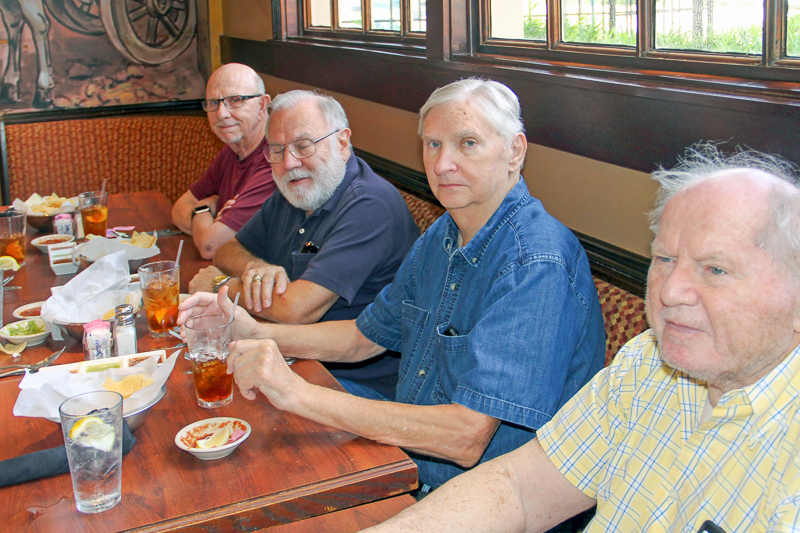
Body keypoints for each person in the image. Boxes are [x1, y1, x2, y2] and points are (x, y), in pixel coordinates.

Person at [179, 79, 606, 492]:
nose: (442, 164)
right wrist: (259, 333)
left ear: (515, 151)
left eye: (467, 143)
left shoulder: (536, 263)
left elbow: (465, 437)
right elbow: (364, 337)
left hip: (483, 498)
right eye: (433, 144)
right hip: (405, 459)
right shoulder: (441, 236)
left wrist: (297, 392)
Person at [363, 143, 800, 532]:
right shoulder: (646, 363)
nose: (669, 291)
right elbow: (519, 489)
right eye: (665, 259)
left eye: (715, 269)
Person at [188, 89, 420, 399]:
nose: (289, 162)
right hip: (296, 361)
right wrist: (256, 267)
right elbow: (227, 249)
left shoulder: (370, 205)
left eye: (304, 145)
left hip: (357, 386)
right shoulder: (296, 192)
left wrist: (219, 284)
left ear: (342, 142)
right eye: (276, 149)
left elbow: (295, 309)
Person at [172, 63, 276, 260]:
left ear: (262, 105)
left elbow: (210, 246)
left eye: (235, 100)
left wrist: (202, 209)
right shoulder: (232, 149)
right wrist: (210, 215)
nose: (221, 114)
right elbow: (179, 208)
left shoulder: (275, 159)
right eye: (213, 103)